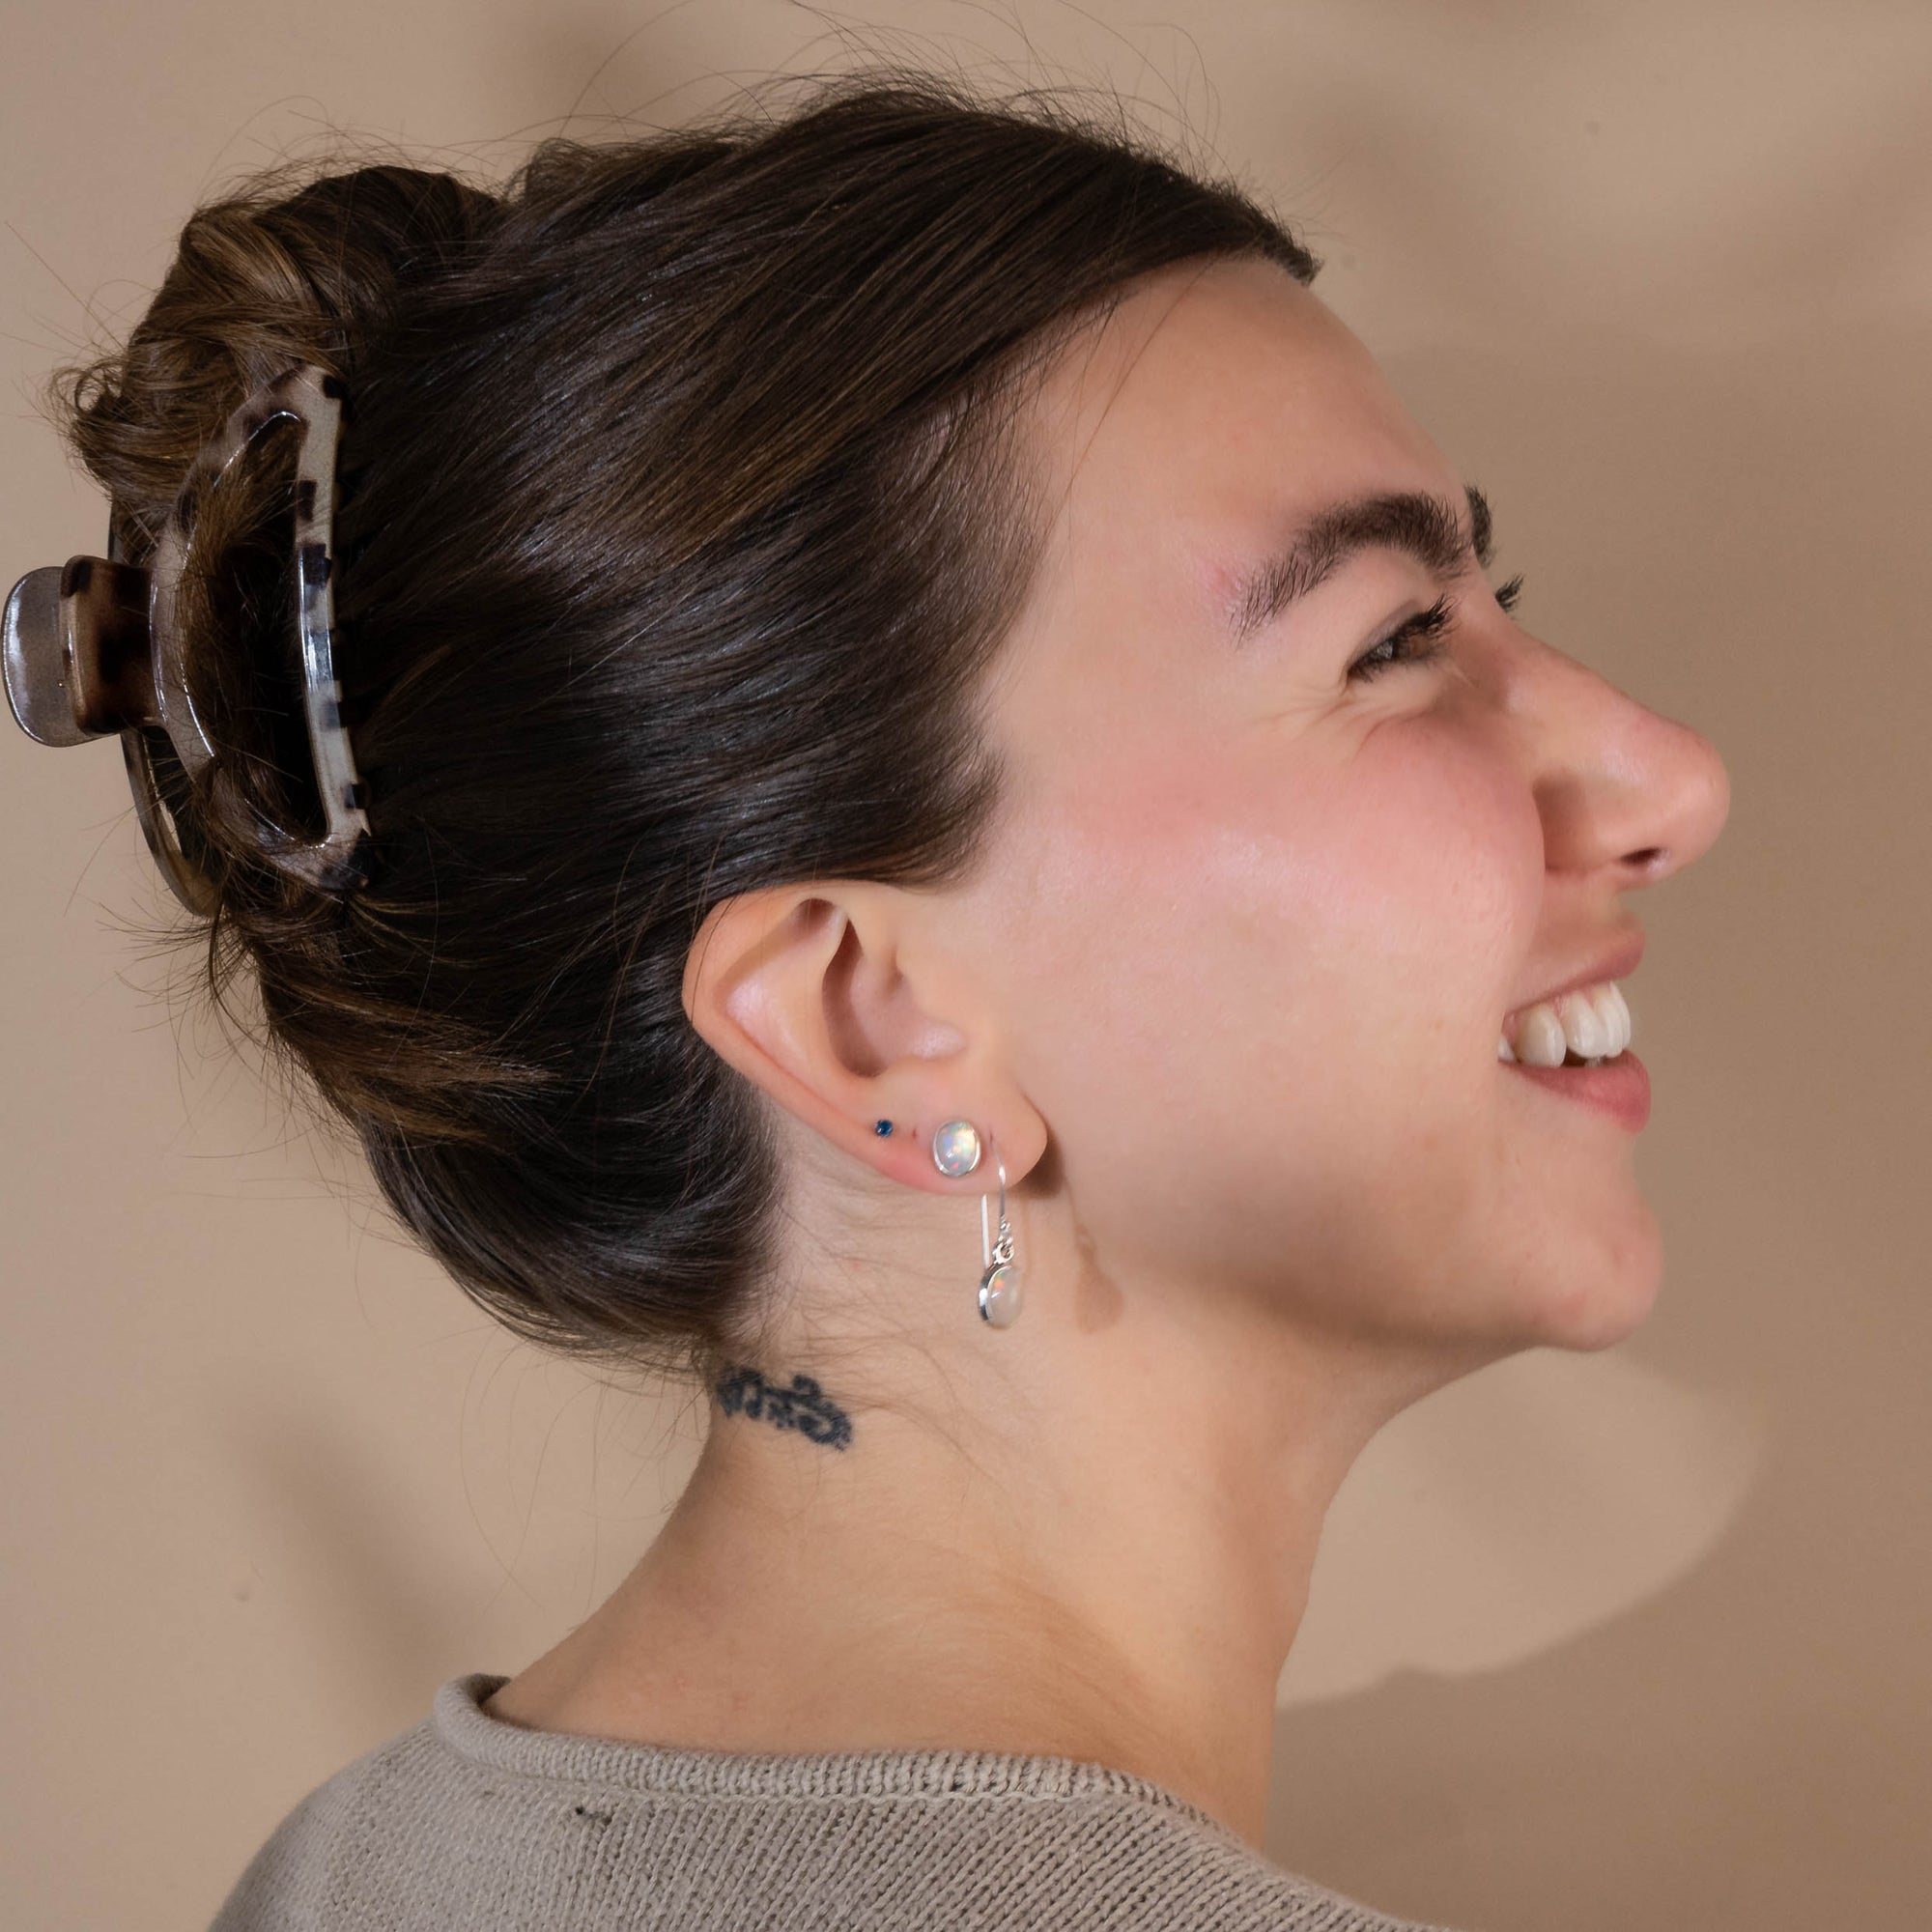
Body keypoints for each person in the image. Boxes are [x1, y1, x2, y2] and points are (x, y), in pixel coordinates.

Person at [2, 65, 1729, 1932]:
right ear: (866, 1023)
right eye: (1394, 642)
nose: (1672, 778)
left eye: (1490, 598)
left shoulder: (345, 1874)